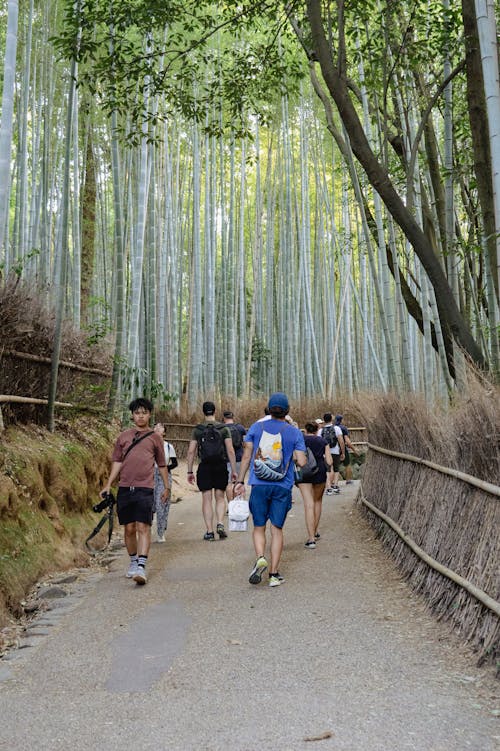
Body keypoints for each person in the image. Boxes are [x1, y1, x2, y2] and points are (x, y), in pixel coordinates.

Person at [234, 392, 306, 587]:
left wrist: (240, 481)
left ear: (269, 409)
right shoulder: (294, 432)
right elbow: (301, 461)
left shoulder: (256, 428)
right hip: (282, 486)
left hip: (259, 485)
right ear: (287, 411)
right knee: (277, 529)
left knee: (259, 527)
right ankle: (274, 574)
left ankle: (260, 558)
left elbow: (247, 456)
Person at [100, 397, 170, 585]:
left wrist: (166, 487)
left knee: (143, 527)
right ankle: (132, 561)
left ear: (149, 415)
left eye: (144, 413)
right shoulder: (123, 437)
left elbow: (162, 464)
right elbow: (117, 462)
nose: (140, 416)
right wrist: (108, 484)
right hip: (125, 488)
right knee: (129, 529)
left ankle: (141, 566)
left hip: (145, 488)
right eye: (137, 413)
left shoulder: (155, 438)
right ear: (132, 415)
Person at [186, 401, 237, 540]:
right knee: (220, 497)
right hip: (220, 465)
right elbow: (230, 450)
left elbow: (191, 451)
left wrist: (189, 471)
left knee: (206, 499)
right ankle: (220, 523)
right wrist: (234, 470)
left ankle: (209, 531)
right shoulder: (224, 429)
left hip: (205, 466)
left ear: (203, 412)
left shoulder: (198, 429)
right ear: (215, 411)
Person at [296, 422, 332, 548]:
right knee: (317, 502)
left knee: (308, 504)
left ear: (305, 429)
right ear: (317, 430)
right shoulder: (322, 441)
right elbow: (329, 461)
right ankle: (315, 531)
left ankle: (311, 539)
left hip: (304, 472)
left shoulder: (300, 439)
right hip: (319, 472)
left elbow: (295, 457)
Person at [153, 422, 178, 542]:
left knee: (161, 503)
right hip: (149, 475)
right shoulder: (148, 444)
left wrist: (164, 469)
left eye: (161, 426)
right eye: (156, 426)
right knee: (150, 503)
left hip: (164, 476)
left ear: (164, 432)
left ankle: (161, 532)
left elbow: (175, 463)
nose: (158, 427)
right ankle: (145, 529)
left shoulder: (168, 446)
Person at [222, 410, 246, 502]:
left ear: (224, 418)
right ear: (233, 417)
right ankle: (239, 504)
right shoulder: (240, 428)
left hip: (226, 459)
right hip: (239, 458)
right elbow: (245, 443)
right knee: (239, 482)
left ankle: (231, 506)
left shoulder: (221, 429)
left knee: (228, 484)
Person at [320, 412, 345, 494]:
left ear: (324, 420)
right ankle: (335, 486)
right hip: (335, 451)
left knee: (327, 470)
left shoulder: (321, 430)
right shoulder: (337, 428)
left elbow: (319, 442)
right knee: (336, 468)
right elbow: (341, 441)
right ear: (331, 419)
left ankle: (328, 488)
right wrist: (343, 452)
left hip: (325, 453)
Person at [335, 414, 359, 484]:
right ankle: (348, 480)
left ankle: (332, 482)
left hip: (333, 449)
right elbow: (347, 441)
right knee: (347, 464)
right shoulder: (343, 428)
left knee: (333, 466)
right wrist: (354, 450)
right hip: (342, 448)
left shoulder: (333, 427)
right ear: (341, 420)